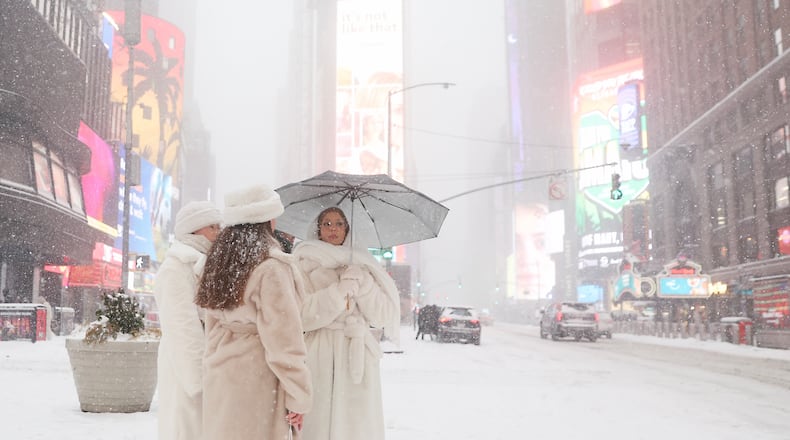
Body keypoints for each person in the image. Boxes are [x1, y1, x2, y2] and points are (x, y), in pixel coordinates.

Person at [196, 184, 312, 440]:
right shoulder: (271, 267)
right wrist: (298, 395)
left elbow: (211, 324)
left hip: (222, 375)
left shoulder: (218, 262)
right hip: (257, 378)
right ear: (266, 218)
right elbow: (284, 341)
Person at [292, 207, 400, 440]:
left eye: (339, 223)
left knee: (357, 427)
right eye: (327, 223)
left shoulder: (363, 264)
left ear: (347, 229)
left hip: (357, 354)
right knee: (319, 424)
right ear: (318, 229)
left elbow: (382, 315)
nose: (333, 229)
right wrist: (337, 292)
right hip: (319, 353)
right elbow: (302, 315)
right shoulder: (303, 263)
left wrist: (363, 285)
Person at [153, 200, 222, 440]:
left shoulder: (205, 264)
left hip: (206, 361)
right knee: (185, 427)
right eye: (212, 226)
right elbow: (182, 327)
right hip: (185, 367)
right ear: (194, 230)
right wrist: (199, 381)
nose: (218, 232)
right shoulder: (176, 268)